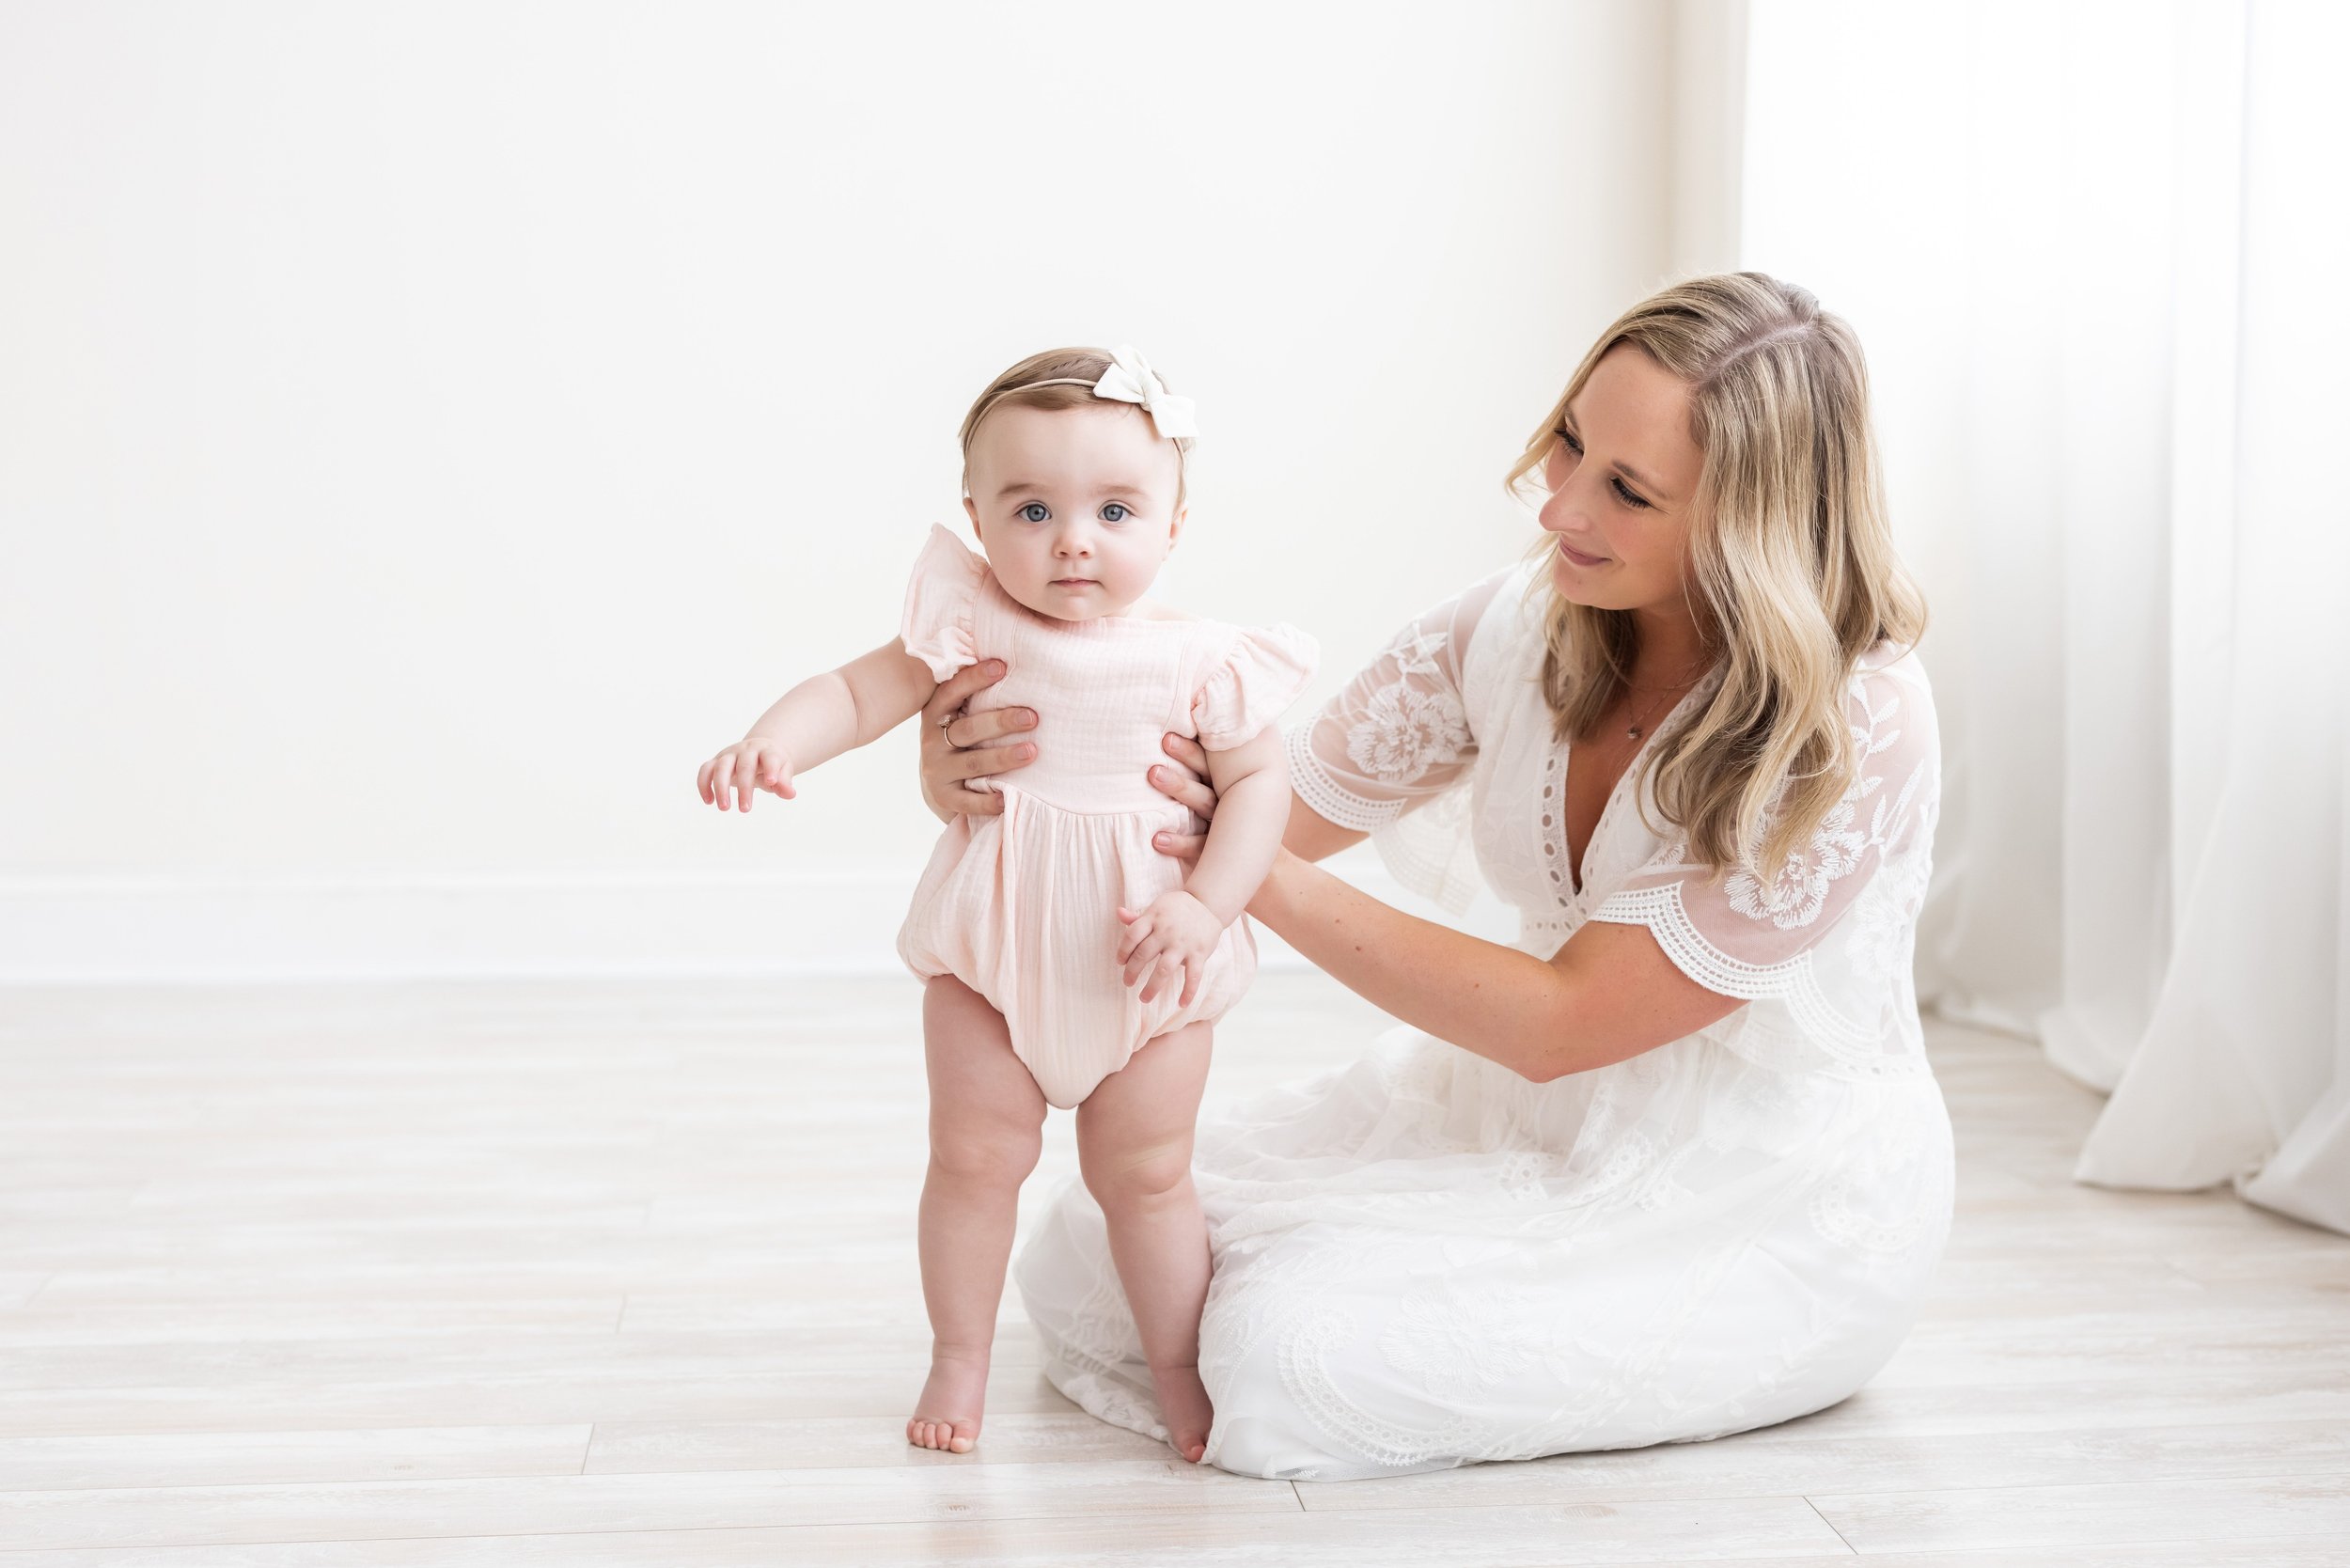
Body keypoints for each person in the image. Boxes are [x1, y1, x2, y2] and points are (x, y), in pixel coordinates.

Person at [918, 274, 1952, 1481]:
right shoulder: (1520, 624)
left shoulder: (1855, 726)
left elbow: (1564, 1024)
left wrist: (1239, 883)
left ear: (1751, 524)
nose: (1560, 502)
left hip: (1759, 1193)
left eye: (1627, 489)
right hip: (1507, 1119)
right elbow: (1236, 807)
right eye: (1570, 441)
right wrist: (1001, 777)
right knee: (1090, 1251)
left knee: (1288, 1354)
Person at [696, 346, 1315, 1462]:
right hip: (992, 963)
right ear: (977, 520)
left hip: (1149, 974)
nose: (1072, 538)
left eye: (1115, 508)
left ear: (1174, 524)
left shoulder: (1205, 660)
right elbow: (855, 691)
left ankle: (1176, 1364)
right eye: (1032, 508)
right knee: (973, 1162)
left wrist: (1209, 906)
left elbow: (1263, 786)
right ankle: (960, 1355)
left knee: (1151, 1178)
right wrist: (770, 742)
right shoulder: (973, 624)